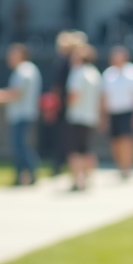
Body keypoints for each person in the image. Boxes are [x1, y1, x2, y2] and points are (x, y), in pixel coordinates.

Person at [0, 43, 43, 185]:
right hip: (23, 113)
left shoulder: (24, 70)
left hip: (22, 114)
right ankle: (23, 175)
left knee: (20, 146)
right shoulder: (27, 69)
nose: (9, 57)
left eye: (13, 54)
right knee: (20, 145)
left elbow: (16, 93)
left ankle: (29, 173)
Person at [101, 45, 133, 179]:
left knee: (127, 140)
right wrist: (104, 116)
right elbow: (104, 97)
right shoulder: (108, 74)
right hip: (113, 111)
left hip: (128, 111)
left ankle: (128, 167)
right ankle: (120, 167)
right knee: (115, 141)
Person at [45, 29, 86, 173]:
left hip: (67, 104)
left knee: (66, 137)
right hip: (70, 104)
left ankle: (62, 165)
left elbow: (57, 87)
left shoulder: (67, 63)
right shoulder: (73, 63)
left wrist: (54, 105)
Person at [65, 43, 103, 191]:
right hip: (90, 116)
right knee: (86, 148)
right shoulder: (95, 73)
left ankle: (77, 180)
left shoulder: (77, 72)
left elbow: (74, 96)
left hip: (77, 115)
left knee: (75, 150)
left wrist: (65, 102)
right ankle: (89, 178)